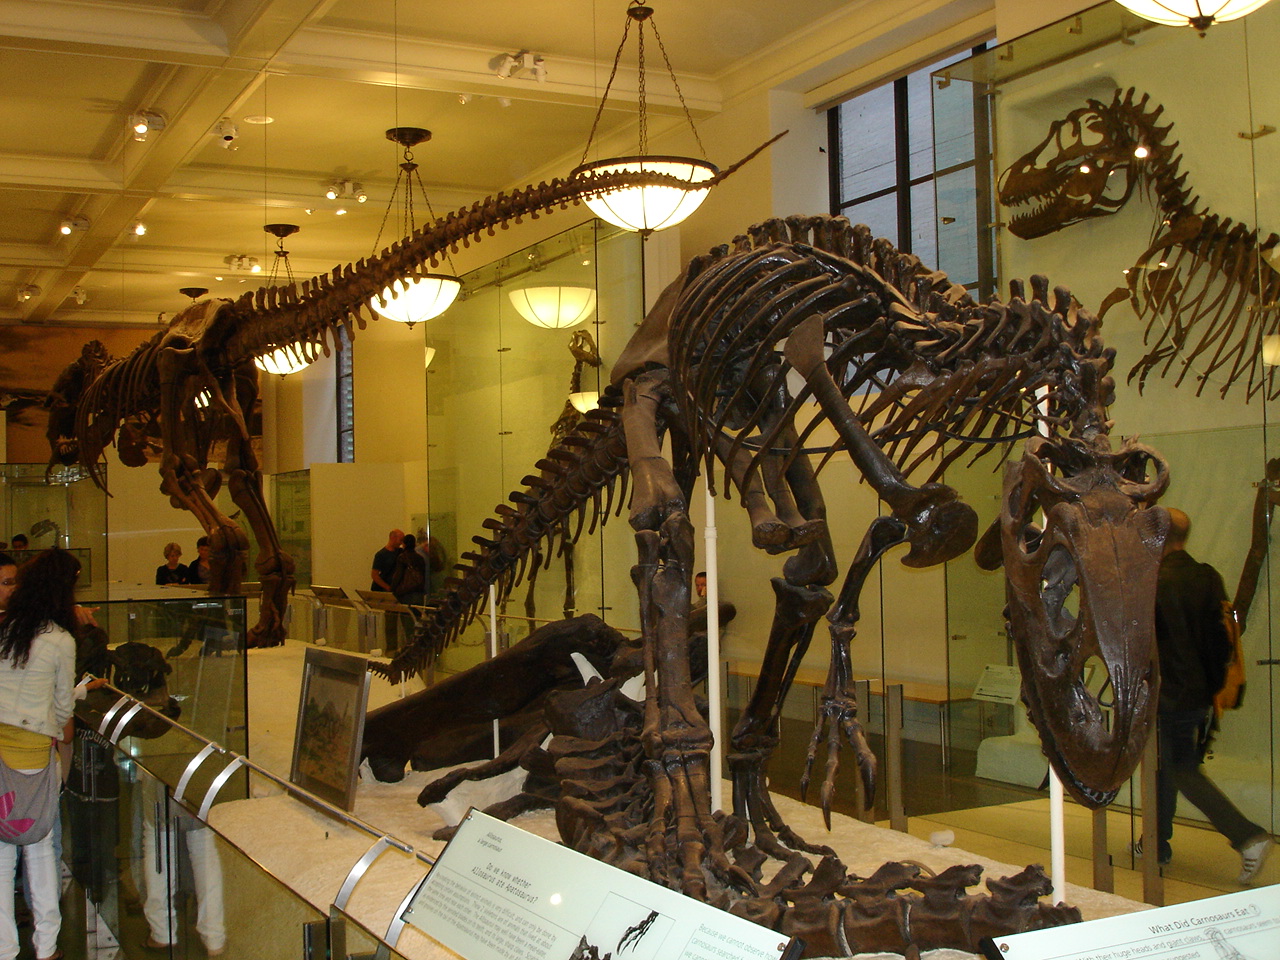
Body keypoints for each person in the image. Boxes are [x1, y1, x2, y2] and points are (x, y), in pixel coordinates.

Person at [1149, 508, 1274, 883]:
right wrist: (1212, 686)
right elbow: (1221, 640)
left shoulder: (1153, 582)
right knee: (1164, 766)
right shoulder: (1207, 575)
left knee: (1180, 769)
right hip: (1199, 692)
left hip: (1169, 692)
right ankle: (1155, 843)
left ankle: (1247, 836)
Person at [0, 548, 79, 960]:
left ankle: (5, 948)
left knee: (0, 855)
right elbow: (63, 707)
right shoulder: (60, 640)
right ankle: (46, 946)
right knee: (41, 848)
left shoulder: (4, 630)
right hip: (34, 754)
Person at [391, 534, 427, 607]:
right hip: (418, 592)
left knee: (406, 613)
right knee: (416, 613)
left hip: (406, 593)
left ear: (404, 544)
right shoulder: (420, 558)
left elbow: (398, 575)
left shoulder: (402, 557)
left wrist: (393, 588)